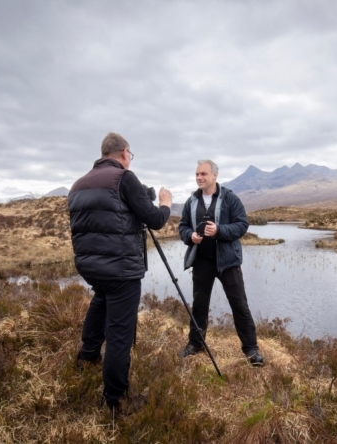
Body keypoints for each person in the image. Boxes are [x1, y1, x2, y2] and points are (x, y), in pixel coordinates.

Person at [68, 132, 172, 412]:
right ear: (124, 153)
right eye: (130, 156)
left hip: (91, 266)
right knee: (119, 334)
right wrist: (165, 203)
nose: (130, 160)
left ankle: (87, 356)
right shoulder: (124, 178)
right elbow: (154, 219)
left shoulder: (78, 185)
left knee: (100, 300)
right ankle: (116, 399)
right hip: (121, 269)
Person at [177, 159, 264, 366]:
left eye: (203, 174)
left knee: (239, 305)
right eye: (197, 174)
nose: (199, 177)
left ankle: (251, 350)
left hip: (227, 262)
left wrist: (219, 231)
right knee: (199, 305)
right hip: (202, 262)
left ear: (214, 175)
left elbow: (242, 225)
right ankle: (195, 344)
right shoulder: (191, 201)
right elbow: (182, 227)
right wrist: (190, 236)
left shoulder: (230, 198)